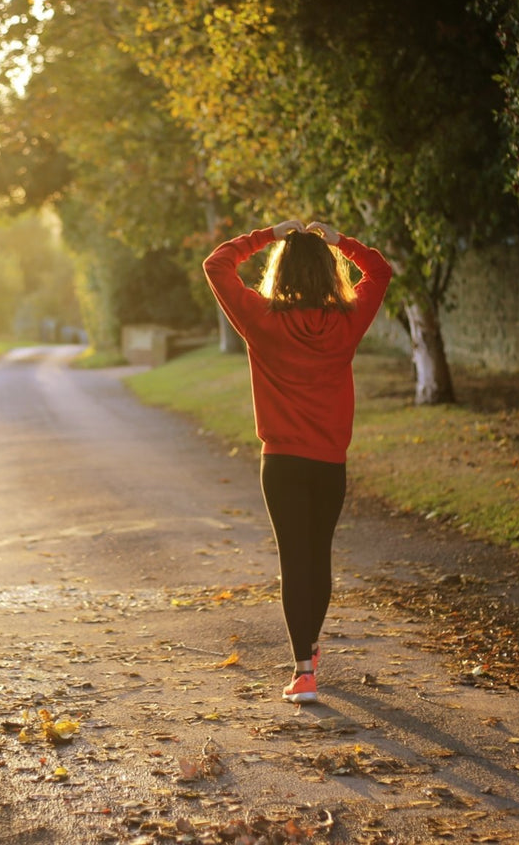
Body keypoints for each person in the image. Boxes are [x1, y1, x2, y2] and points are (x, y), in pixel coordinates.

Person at [203, 219, 392, 704]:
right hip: (329, 462)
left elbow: (217, 264)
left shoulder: (261, 319)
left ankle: (304, 670)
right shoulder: (347, 321)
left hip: (282, 462)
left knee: (294, 559)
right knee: (318, 556)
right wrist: (340, 242)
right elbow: (380, 270)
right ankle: (308, 651)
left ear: (280, 272)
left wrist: (268, 234)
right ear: (329, 274)